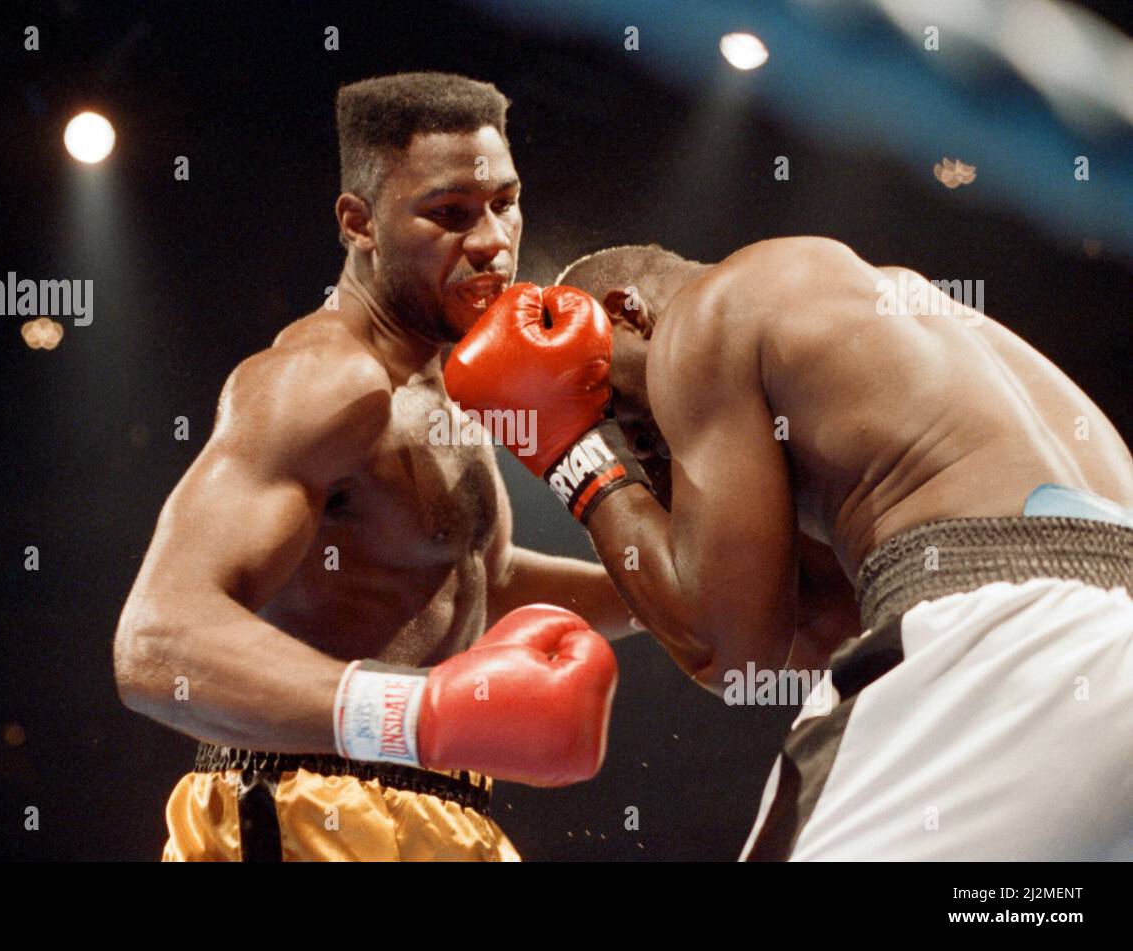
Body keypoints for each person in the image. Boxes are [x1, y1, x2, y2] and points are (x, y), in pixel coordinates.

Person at [444, 237, 1133, 860]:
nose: (646, 456)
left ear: (628, 313)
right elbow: (820, 632)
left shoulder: (708, 314)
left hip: (1003, 642)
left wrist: (568, 454)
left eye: (621, 420)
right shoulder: (900, 325)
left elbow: (727, 652)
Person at [113, 72, 629, 863]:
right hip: (300, 806)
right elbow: (158, 642)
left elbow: (471, 580)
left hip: (439, 807)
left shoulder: (458, 383)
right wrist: (418, 713)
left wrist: (669, 587)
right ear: (360, 223)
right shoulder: (324, 381)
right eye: (450, 214)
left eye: (506, 202)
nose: (492, 239)